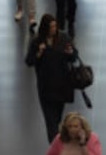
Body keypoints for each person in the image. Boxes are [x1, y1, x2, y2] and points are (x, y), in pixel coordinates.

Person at [24, 13, 76, 142]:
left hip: (61, 85)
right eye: (51, 27)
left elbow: (74, 56)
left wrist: (71, 52)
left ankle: (56, 143)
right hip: (45, 87)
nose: (54, 29)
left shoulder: (63, 38)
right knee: (50, 120)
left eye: (55, 26)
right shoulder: (37, 42)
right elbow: (29, 61)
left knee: (58, 117)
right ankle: (55, 146)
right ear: (45, 28)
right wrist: (39, 53)